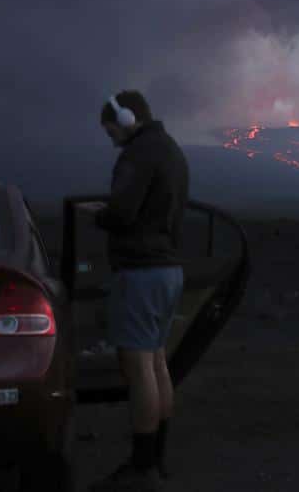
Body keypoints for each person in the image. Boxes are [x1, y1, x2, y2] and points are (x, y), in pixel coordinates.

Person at [82, 89, 189, 491]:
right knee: (157, 361)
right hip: (169, 270)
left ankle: (142, 467)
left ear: (126, 119)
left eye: (110, 128)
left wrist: (100, 217)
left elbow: (124, 212)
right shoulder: (172, 150)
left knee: (139, 364)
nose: (110, 137)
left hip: (142, 272)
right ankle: (155, 460)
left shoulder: (138, 154)